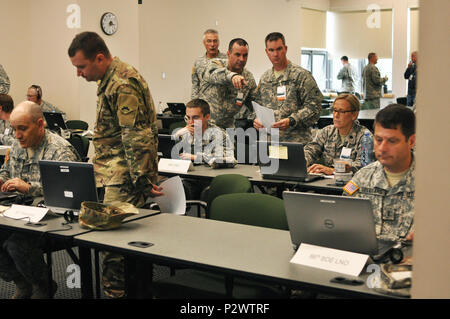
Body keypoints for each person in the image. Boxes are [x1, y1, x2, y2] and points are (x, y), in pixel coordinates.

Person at [68, 31, 162, 298]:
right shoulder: (108, 79)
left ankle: (118, 293)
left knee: (114, 251)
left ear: (99, 58)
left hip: (125, 176)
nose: (79, 73)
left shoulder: (122, 83)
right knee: (121, 244)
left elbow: (135, 136)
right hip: (113, 173)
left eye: (81, 66)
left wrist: (144, 180)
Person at [0, 101, 80, 299]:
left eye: (23, 129)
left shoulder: (60, 151)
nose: (17, 135)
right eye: (14, 129)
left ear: (40, 124)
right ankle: (22, 282)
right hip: (20, 212)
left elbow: (70, 195)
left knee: (16, 245)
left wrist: (29, 188)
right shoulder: (18, 145)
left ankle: (42, 285)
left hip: (54, 217)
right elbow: (6, 172)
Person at [343, 104, 415, 242]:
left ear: (411, 141)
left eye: (392, 141)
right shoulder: (362, 178)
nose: (382, 148)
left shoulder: (433, 182)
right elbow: (343, 215)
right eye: (378, 140)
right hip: (365, 259)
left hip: (411, 261)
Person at [254, 32, 323, 144]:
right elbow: (258, 107)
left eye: (279, 49)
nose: (275, 54)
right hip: (271, 142)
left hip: (296, 142)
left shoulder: (301, 76)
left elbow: (315, 107)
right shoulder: (265, 78)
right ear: (266, 52)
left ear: (285, 49)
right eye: (271, 50)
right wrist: (257, 120)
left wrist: (292, 120)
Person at [174, 99, 237, 199]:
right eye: (188, 118)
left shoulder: (218, 134)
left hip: (213, 180)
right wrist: (177, 136)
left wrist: (197, 157)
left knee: (205, 193)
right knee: (173, 189)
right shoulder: (187, 132)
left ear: (207, 117)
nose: (190, 122)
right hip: (192, 178)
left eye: (195, 118)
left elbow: (229, 159)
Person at [305, 94, 371, 175]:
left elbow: (364, 166)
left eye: (341, 111)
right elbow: (311, 150)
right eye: (335, 110)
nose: (336, 115)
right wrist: (303, 161)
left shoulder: (365, 137)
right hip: (326, 181)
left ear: (354, 115)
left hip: (352, 183)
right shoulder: (327, 131)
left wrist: (333, 170)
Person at [200, 38, 257, 129]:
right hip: (204, 127)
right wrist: (232, 76)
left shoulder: (248, 78)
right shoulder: (215, 64)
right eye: (237, 55)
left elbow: (256, 103)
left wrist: (258, 118)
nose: (242, 59)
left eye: (245, 55)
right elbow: (216, 74)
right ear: (228, 54)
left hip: (228, 129)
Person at [191, 29, 227, 99]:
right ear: (204, 43)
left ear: (219, 43)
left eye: (215, 41)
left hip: (222, 105)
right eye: (209, 41)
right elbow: (195, 85)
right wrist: (194, 104)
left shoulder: (226, 60)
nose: (212, 44)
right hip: (204, 104)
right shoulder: (198, 62)